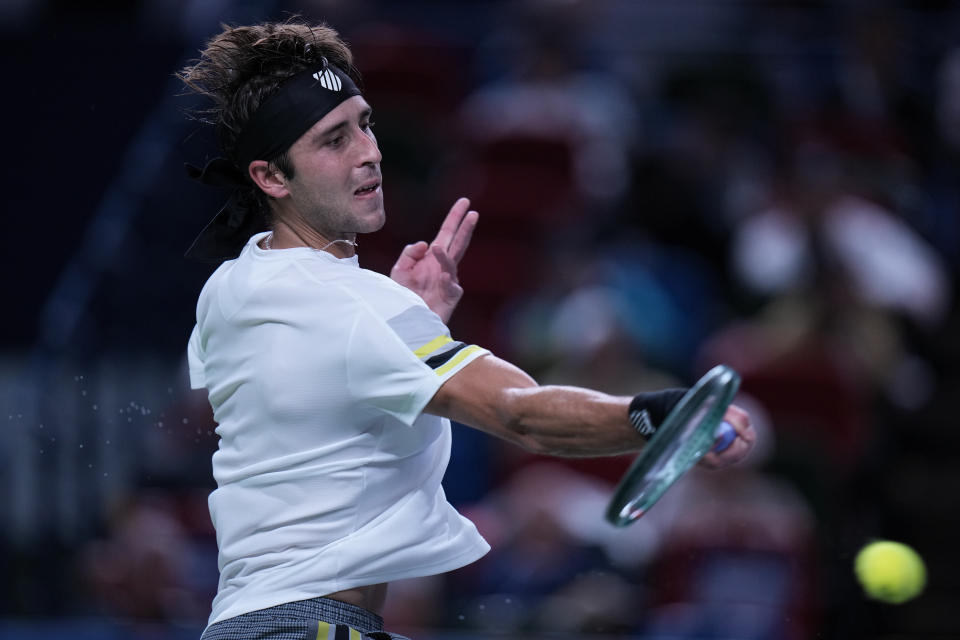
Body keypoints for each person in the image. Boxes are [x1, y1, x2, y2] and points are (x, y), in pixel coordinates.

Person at [178, 18, 755, 640]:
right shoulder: (354, 307)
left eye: (366, 124)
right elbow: (521, 414)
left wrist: (409, 328)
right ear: (271, 177)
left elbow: (308, 388)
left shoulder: (232, 286)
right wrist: (663, 414)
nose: (370, 152)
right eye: (333, 140)